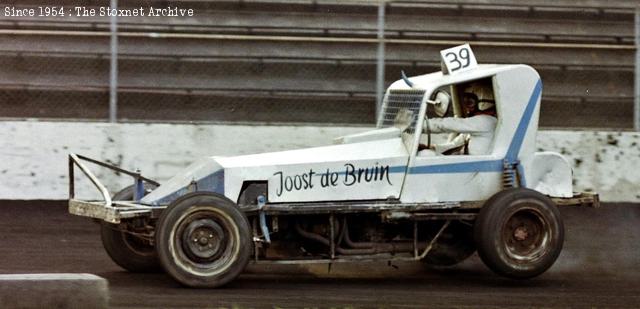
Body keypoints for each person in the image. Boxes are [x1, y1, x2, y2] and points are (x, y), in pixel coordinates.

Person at [420, 81, 497, 156]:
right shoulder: (472, 126)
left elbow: (447, 124)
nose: (466, 108)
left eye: (470, 102)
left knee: (424, 154)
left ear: (483, 103)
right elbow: (454, 145)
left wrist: (419, 125)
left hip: (475, 167)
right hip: (467, 164)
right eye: (465, 102)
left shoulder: (487, 122)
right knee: (426, 153)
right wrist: (432, 148)